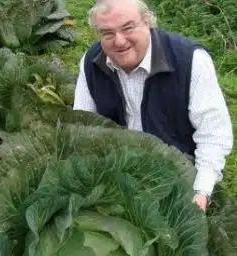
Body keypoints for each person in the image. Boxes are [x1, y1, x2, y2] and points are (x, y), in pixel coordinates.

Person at [73, 0, 233, 211]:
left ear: (147, 21)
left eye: (128, 28)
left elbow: (213, 134)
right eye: (107, 33)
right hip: (116, 178)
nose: (119, 41)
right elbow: (82, 127)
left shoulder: (190, 60)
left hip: (179, 178)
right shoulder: (91, 63)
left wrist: (200, 192)